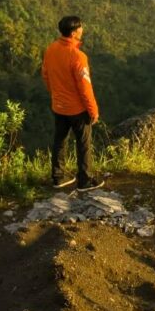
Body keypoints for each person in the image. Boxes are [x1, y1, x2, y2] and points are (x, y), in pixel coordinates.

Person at [41, 15, 105, 191]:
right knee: (83, 144)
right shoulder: (78, 57)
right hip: (77, 109)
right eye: (81, 28)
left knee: (60, 141)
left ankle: (58, 177)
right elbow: (85, 87)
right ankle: (85, 180)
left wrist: (55, 94)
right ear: (75, 32)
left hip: (58, 106)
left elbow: (45, 75)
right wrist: (93, 110)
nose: (82, 30)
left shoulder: (51, 49)